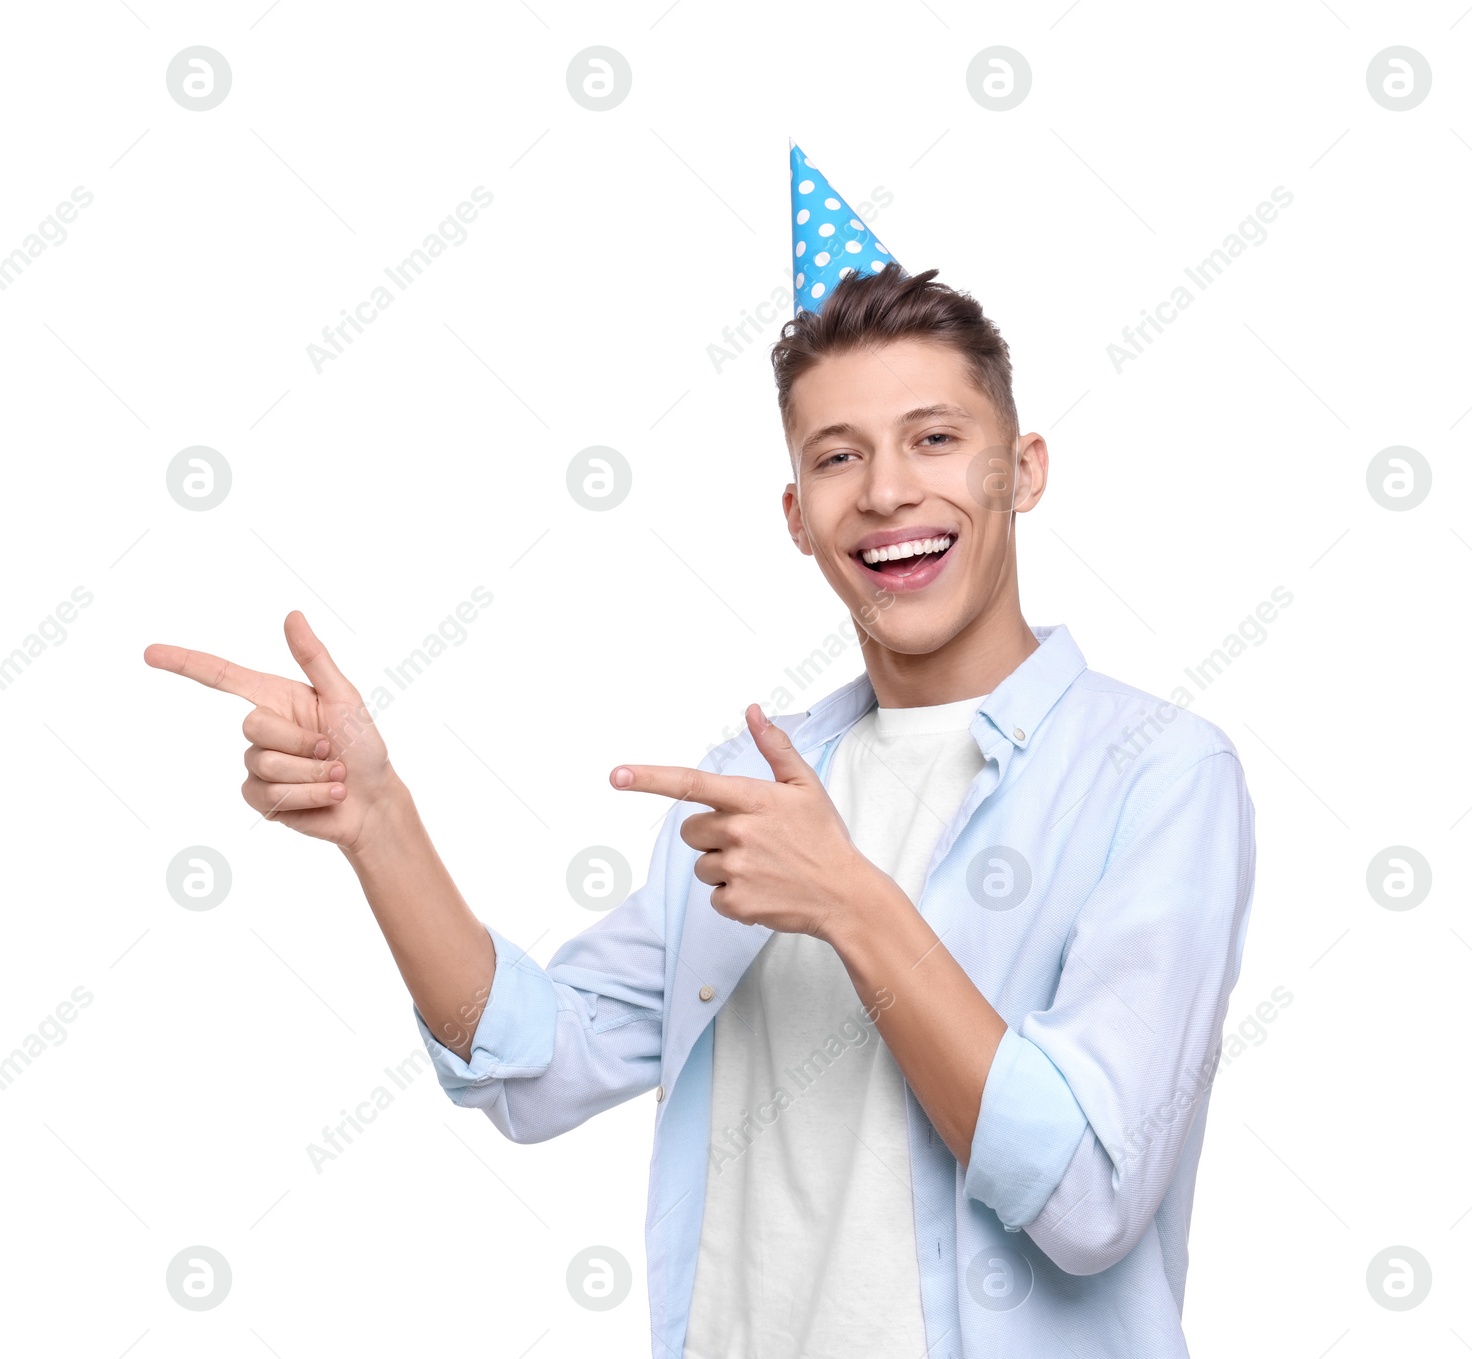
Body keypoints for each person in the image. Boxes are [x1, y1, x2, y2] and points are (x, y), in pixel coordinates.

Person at [145, 147, 1256, 1358]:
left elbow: (1091, 1195)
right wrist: (380, 825)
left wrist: (854, 907)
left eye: (934, 438)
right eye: (836, 456)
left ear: (1021, 470)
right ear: (796, 515)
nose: (886, 491)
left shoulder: (1156, 773)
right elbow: (535, 1067)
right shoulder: (757, 785)